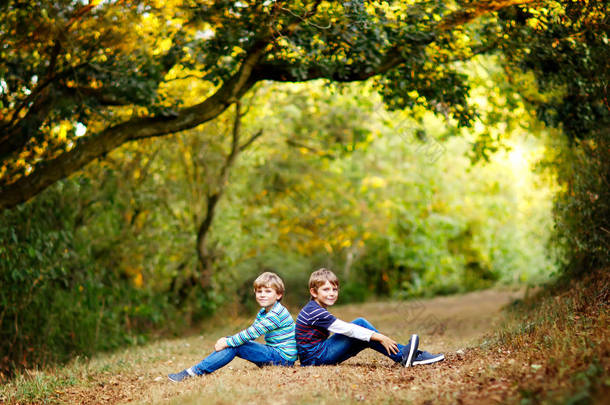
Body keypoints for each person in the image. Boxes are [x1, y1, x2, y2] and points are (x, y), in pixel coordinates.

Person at [295, 268, 444, 367]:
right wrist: (380, 337)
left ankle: (407, 355)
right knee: (360, 324)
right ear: (314, 292)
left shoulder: (315, 309)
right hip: (314, 359)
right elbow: (347, 329)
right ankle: (405, 355)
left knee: (364, 333)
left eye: (334, 289)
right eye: (326, 289)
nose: (332, 293)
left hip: (316, 356)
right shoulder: (315, 312)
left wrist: (373, 337)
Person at [168, 272, 297, 382]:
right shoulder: (264, 312)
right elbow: (250, 333)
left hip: (282, 359)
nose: (262, 295)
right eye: (259, 291)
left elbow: (252, 333)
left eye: (268, 291)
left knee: (234, 343)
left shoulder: (276, 313)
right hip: (275, 353)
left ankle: (194, 372)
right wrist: (231, 341)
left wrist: (227, 341)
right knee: (235, 343)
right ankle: (195, 370)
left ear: (279, 295)